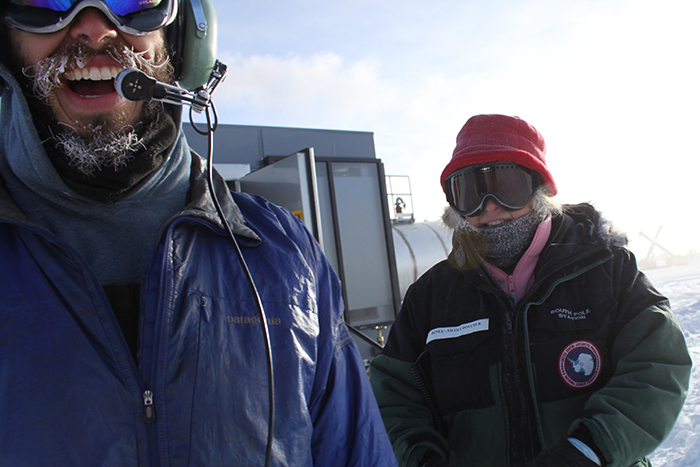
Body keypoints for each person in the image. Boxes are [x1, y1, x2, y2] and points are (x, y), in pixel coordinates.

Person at [0, 1, 398, 465]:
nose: (91, 29)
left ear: (184, 32)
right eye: (49, 1)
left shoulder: (286, 255)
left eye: (130, 1)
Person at [369, 114, 691, 467]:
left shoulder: (606, 270)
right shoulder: (431, 297)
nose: (489, 206)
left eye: (507, 185)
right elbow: (394, 397)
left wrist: (588, 452)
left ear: (540, 190)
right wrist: (423, 459)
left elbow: (658, 366)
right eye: (470, 192)